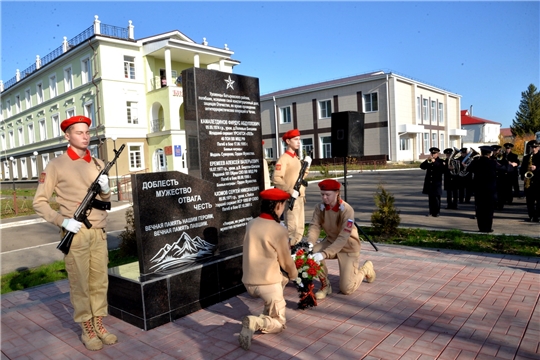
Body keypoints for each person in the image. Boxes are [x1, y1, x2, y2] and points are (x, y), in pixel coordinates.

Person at [33, 115, 117, 351]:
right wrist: (62, 221)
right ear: (67, 136)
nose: (85, 136)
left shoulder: (99, 164)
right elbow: (39, 202)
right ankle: (86, 328)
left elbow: (105, 199)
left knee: (99, 281)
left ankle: (99, 323)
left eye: (87, 132)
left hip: (98, 232)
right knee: (80, 283)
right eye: (79, 132)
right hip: (76, 233)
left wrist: (107, 190)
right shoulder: (56, 165)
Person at [239, 188, 297, 351]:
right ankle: (256, 322)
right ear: (278, 205)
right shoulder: (278, 230)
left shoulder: (251, 223)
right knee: (279, 323)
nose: (284, 208)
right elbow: (286, 261)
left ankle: (265, 314)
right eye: (283, 204)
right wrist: (294, 275)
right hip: (267, 283)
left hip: (248, 282)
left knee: (274, 297)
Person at [304, 179, 375, 300]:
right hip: (331, 242)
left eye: (328, 195)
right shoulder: (319, 208)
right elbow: (314, 227)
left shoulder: (347, 210)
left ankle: (365, 269)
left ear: (337, 193)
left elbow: (343, 237)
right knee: (312, 252)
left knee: (347, 289)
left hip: (348, 247)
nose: (324, 198)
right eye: (322, 194)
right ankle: (325, 286)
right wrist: (310, 243)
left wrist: (324, 254)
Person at [271, 129, 310, 245]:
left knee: (300, 227)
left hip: (300, 196)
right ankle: (289, 252)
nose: (299, 142)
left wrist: (307, 166)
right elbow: (276, 178)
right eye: (296, 139)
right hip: (291, 197)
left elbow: (300, 176)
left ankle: (296, 251)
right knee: (292, 228)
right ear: (288, 141)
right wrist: (289, 190)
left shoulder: (295, 158)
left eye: (299, 140)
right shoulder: (284, 158)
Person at [467, 146, 517, 232]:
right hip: (490, 189)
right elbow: (504, 169)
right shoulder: (492, 162)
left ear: (481, 152)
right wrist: (510, 164)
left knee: (479, 209)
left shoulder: (476, 161)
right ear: (490, 153)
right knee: (489, 209)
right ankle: (488, 228)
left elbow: (468, 169)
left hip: (478, 189)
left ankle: (481, 227)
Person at [420, 147, 444, 217]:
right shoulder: (429, 160)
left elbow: (442, 169)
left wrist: (435, 162)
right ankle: (431, 211)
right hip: (429, 183)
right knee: (431, 198)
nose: (433, 154)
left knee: (436, 198)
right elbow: (422, 167)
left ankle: (436, 212)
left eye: (434, 153)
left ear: (437, 153)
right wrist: (427, 160)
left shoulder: (441, 161)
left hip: (436, 183)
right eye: (432, 153)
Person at [520, 140, 540, 222]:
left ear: (538, 147)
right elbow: (522, 169)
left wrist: (537, 168)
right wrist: (523, 177)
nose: (534, 149)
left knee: (539, 201)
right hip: (529, 182)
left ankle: (538, 216)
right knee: (530, 201)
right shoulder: (526, 157)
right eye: (532, 147)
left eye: (535, 147)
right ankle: (531, 216)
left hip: (538, 182)